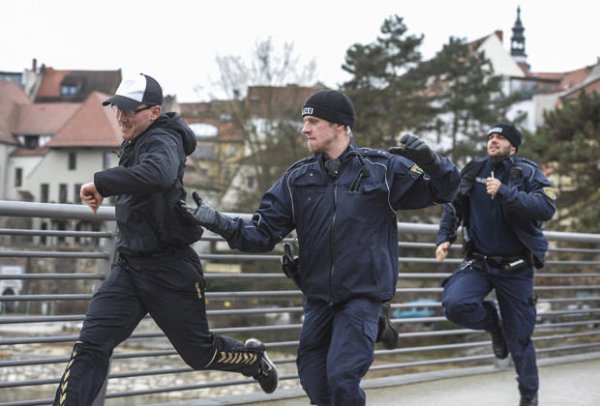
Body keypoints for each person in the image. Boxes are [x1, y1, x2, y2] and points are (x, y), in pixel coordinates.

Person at [178, 89, 460, 405]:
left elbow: (445, 191)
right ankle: (375, 329)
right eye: (304, 121)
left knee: (341, 378)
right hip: (318, 298)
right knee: (314, 380)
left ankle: (374, 321)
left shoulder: (381, 169)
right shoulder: (298, 178)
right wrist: (218, 221)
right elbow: (262, 233)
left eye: (313, 121)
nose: (305, 128)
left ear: (339, 125)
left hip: (362, 295)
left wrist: (434, 163)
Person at [54, 73, 277, 406]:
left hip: (170, 270)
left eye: (129, 110)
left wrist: (102, 183)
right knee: (91, 345)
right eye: (117, 109)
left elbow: (157, 175)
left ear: (154, 112)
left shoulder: (165, 141)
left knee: (199, 353)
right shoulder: (134, 141)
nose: (121, 117)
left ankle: (253, 359)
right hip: (129, 267)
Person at [435, 123, 557, 406]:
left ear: (512, 146)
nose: (493, 141)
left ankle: (529, 398)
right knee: (456, 305)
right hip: (479, 263)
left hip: (516, 269)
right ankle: (494, 324)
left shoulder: (526, 172)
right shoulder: (475, 170)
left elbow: (546, 207)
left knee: (521, 340)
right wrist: (445, 237)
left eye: (500, 138)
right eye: (490, 137)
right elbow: (452, 205)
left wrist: (505, 192)